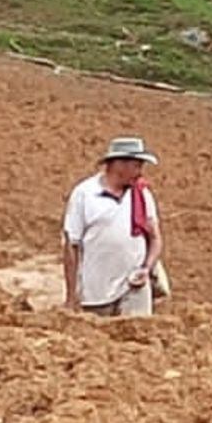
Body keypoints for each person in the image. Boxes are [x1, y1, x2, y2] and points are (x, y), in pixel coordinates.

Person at [62, 137, 164, 321]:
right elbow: (71, 244)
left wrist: (146, 268)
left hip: (133, 286)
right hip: (96, 291)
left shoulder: (142, 194)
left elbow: (155, 238)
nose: (140, 172)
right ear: (119, 164)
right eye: (136, 166)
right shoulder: (84, 194)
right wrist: (71, 295)